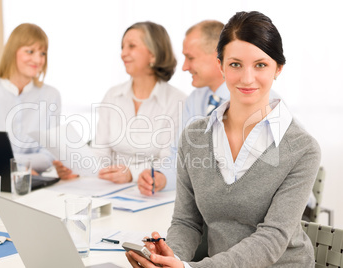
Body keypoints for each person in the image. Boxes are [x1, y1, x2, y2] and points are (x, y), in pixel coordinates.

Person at [126, 11, 321, 267]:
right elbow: (187, 222)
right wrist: (169, 258)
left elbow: (273, 238)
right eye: (235, 64)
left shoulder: (302, 148)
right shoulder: (194, 137)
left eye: (260, 65)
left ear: (278, 69)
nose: (247, 78)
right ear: (221, 66)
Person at [137, 20, 280, 196]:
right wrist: (161, 177)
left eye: (190, 58)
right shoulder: (196, 99)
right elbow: (180, 157)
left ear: (217, 57)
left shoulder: (262, 99)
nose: (184, 67)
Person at [54, 21, 186, 186]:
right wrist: (76, 168)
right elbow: (101, 152)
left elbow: (169, 160)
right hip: (111, 188)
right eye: (122, 47)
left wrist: (132, 174)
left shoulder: (177, 101)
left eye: (131, 46)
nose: (123, 53)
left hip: (153, 192)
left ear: (153, 54)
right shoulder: (113, 96)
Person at [0, 23, 60, 174]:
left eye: (42, 53)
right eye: (30, 51)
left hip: (34, 183)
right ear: (12, 52)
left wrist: (7, 161)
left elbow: (49, 155)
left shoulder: (51, 95)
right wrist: (23, 168)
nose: (37, 60)